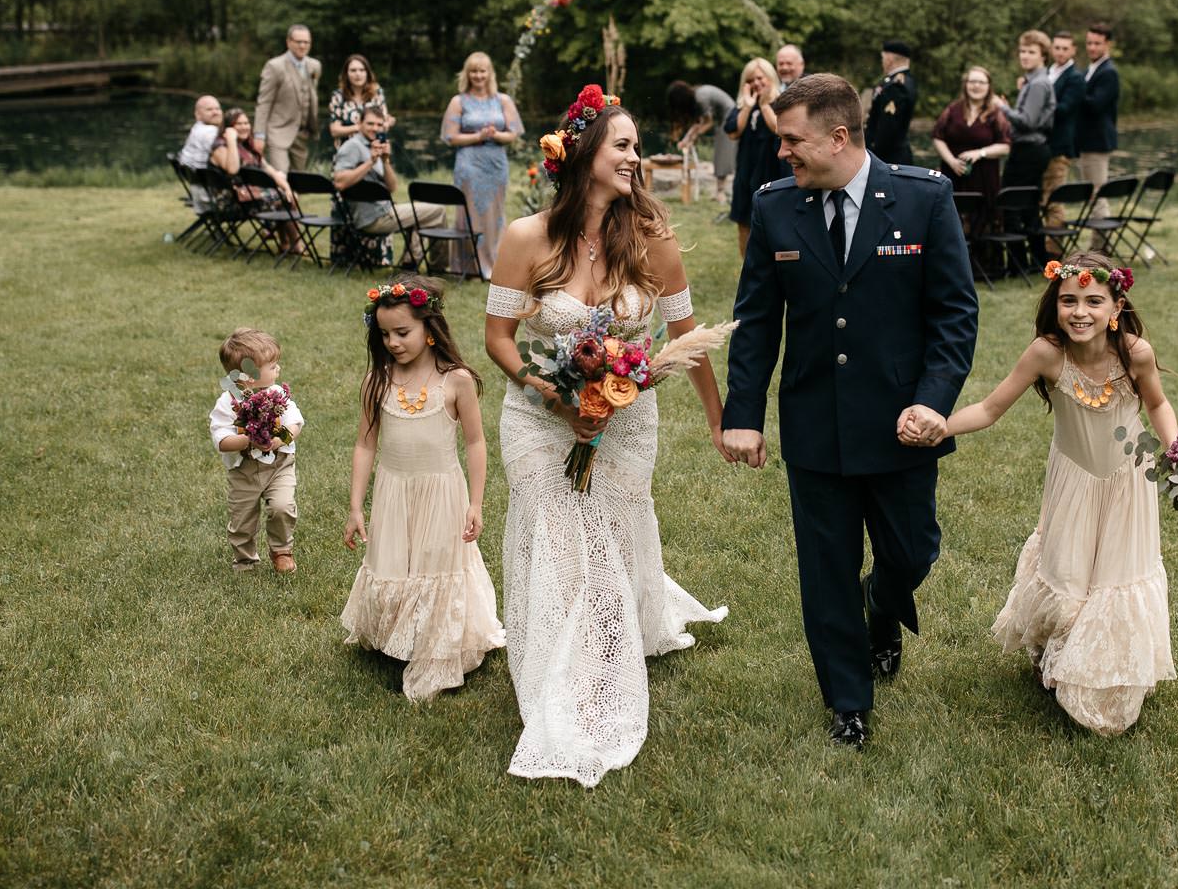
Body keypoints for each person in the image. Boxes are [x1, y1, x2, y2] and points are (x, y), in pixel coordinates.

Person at [720, 74, 979, 750]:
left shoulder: (924, 198)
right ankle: (847, 700)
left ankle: (883, 604)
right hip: (815, 422)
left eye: (792, 140)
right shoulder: (776, 206)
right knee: (826, 567)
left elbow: (954, 315)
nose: (781, 152)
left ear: (839, 137)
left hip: (902, 425)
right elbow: (756, 322)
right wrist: (742, 413)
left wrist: (932, 401)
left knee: (911, 552)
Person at [484, 85, 728, 787]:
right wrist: (550, 395)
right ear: (584, 151)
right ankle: (569, 684)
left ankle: (607, 645)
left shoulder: (652, 239)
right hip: (537, 418)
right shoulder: (526, 237)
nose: (634, 157)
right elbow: (498, 338)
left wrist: (718, 419)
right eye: (622, 145)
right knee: (560, 535)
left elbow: (686, 337)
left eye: (636, 147)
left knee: (610, 536)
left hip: (626, 421)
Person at [907, 252, 1176, 735]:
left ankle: (1107, 671)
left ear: (1116, 307)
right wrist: (941, 426)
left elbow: (1157, 403)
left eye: (1094, 301)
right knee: (1068, 576)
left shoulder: (1135, 353)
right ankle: (1054, 652)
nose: (1080, 312)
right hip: (1073, 479)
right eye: (1069, 300)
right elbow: (990, 408)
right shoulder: (1047, 354)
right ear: (1055, 305)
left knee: (1117, 574)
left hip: (1128, 480)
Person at [341, 277, 506, 702]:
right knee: (394, 561)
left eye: (402, 332)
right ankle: (396, 631)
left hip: (442, 494)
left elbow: (475, 443)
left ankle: (436, 642)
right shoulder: (377, 382)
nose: (393, 343)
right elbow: (365, 444)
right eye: (385, 335)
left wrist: (475, 503)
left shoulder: (456, 381)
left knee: (437, 563)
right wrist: (356, 505)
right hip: (394, 492)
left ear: (429, 328)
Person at [208, 328, 304, 574]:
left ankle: (282, 550)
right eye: (272, 366)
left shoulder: (277, 395)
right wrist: (249, 439)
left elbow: (295, 424)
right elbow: (221, 440)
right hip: (244, 470)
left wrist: (278, 440)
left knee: (283, 507)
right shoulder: (228, 402)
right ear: (249, 376)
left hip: (279, 465)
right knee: (242, 520)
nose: (278, 368)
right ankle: (245, 560)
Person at [440, 52, 524, 279]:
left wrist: (495, 134)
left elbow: (513, 133)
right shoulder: (458, 101)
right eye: (474, 71)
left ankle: (495, 264)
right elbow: (450, 137)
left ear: (490, 73)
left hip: (495, 165)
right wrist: (478, 136)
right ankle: (467, 266)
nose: (478, 75)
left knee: (495, 213)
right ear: (467, 74)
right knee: (469, 213)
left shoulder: (502, 100)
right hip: (469, 165)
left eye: (482, 71)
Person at [332, 108, 447, 271]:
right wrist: (371, 162)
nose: (375, 128)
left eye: (379, 125)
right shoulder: (352, 146)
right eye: (370, 123)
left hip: (384, 210)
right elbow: (339, 183)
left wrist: (385, 160)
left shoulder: (375, 146)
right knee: (438, 211)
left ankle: (411, 261)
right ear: (359, 123)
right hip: (373, 217)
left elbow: (392, 187)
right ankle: (439, 267)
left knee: (423, 215)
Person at [931, 65, 1014, 233]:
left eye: (981, 82)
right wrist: (952, 161)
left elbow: (1005, 146)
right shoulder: (953, 109)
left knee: (983, 228)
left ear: (989, 86)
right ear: (965, 84)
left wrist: (980, 153)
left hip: (984, 178)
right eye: (972, 81)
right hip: (953, 174)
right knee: (950, 226)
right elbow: (937, 137)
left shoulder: (996, 113)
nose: (976, 86)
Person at [211, 108, 299, 256]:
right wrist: (231, 140)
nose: (244, 127)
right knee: (285, 200)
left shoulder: (248, 147)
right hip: (231, 203)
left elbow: (269, 169)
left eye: (246, 123)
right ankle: (292, 245)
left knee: (288, 196)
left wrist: (286, 187)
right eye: (238, 124)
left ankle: (285, 243)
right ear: (228, 128)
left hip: (248, 198)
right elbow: (232, 169)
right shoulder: (220, 146)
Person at [723, 57, 787, 256]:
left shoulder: (782, 103)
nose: (756, 83)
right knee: (744, 224)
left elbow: (779, 129)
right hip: (746, 173)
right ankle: (747, 267)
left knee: (773, 227)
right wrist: (749, 106)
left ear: (770, 77)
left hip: (772, 174)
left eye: (760, 78)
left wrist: (765, 105)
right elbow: (733, 132)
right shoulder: (744, 106)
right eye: (750, 80)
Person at [256, 23, 324, 172]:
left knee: (299, 179)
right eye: (298, 42)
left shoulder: (315, 66)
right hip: (278, 132)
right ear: (288, 42)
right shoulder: (274, 66)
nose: (302, 46)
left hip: (302, 134)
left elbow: (310, 95)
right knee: (281, 176)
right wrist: (259, 135)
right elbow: (264, 102)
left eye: (306, 42)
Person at [1076, 23, 1120, 245]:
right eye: (1089, 43)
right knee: (1093, 194)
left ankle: (1099, 250)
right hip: (1086, 142)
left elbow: (1095, 105)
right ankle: (1099, 248)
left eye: (1097, 43)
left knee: (1097, 195)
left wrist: (1074, 90)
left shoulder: (1108, 72)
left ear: (1107, 44)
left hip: (1097, 142)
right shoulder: (1089, 70)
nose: (1092, 47)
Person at [1040, 31, 1087, 235]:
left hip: (1059, 146)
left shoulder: (1075, 78)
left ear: (1073, 50)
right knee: (1040, 198)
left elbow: (1064, 109)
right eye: (1057, 48)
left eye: (1065, 48)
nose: (1060, 52)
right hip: (1040, 145)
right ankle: (1041, 246)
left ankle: (1054, 249)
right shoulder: (1046, 72)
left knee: (1053, 200)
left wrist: (1037, 102)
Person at [665, 79, 737, 200]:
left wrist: (692, 137)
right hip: (722, 118)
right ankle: (719, 191)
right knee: (720, 153)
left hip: (730, 115)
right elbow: (699, 124)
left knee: (722, 154)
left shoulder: (700, 98)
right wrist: (686, 139)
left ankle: (720, 192)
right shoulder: (697, 96)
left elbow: (708, 122)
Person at [1001, 31, 1055, 191]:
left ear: (1043, 56)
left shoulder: (1038, 84)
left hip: (1029, 151)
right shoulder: (1031, 81)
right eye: (1022, 51)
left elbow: (1027, 122)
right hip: (1029, 149)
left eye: (1031, 52)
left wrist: (1002, 108)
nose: (1025, 56)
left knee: (1012, 200)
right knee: (1022, 201)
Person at [865, 41, 919, 167]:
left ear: (889, 59)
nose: (882, 62)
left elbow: (888, 127)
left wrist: (873, 154)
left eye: (882, 58)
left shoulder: (895, 86)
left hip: (889, 158)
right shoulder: (905, 81)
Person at [327, 53, 388, 155]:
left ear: (367, 73)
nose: (358, 74)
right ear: (346, 74)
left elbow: (384, 124)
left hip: (373, 151)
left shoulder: (377, 93)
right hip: (346, 153)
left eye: (362, 70)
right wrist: (360, 127)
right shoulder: (338, 96)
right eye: (353, 70)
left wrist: (387, 122)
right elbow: (334, 130)